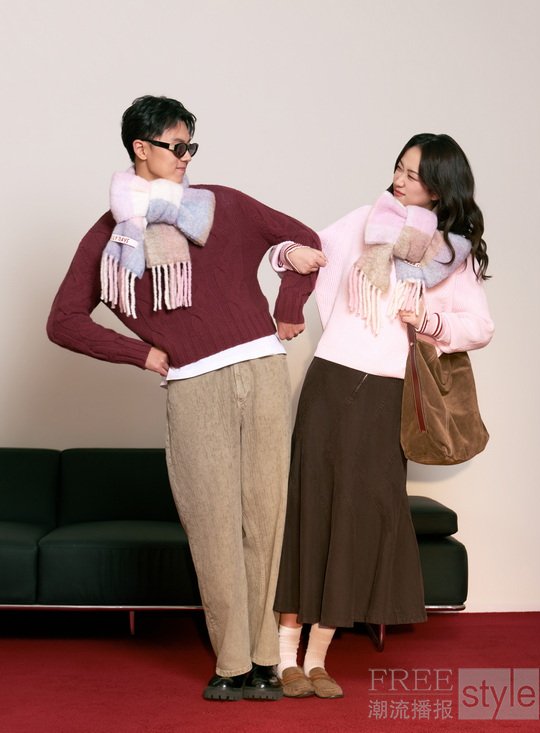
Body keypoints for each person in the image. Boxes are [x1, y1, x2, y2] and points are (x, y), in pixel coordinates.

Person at [47, 95, 325, 701]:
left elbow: (303, 240)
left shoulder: (223, 204)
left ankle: (264, 661)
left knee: (266, 518)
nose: (186, 157)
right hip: (195, 383)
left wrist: (288, 307)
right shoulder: (110, 235)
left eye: (191, 146)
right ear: (140, 148)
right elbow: (63, 320)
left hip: (263, 370)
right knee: (213, 524)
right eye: (176, 146)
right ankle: (231, 663)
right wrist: (143, 353)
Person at [270, 133, 494, 699]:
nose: (399, 180)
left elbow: (479, 327)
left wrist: (431, 323)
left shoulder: (452, 255)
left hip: (389, 394)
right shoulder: (365, 222)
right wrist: (284, 260)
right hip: (331, 379)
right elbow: (301, 253)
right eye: (399, 167)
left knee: (359, 518)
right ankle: (284, 657)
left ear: (440, 188)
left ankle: (318, 658)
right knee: (310, 507)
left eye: (413, 175)